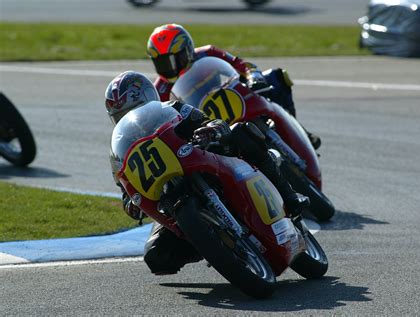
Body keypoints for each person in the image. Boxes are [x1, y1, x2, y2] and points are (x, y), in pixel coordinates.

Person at [105, 70, 309, 275]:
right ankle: (215, 243)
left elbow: (210, 121)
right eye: (121, 115)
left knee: (242, 132)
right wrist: (130, 205)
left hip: (207, 159)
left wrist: (211, 130)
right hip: (171, 198)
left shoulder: (172, 109)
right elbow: (126, 191)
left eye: (135, 109)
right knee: (156, 257)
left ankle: (289, 196)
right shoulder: (121, 150)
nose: (131, 117)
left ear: (149, 98)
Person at [146, 23, 321, 150]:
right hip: (207, 127)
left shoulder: (208, 52)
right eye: (160, 62)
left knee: (276, 76)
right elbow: (161, 124)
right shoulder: (160, 90)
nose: (169, 67)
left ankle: (300, 132)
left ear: (188, 50)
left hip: (235, 98)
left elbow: (242, 65)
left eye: (173, 59)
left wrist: (254, 77)